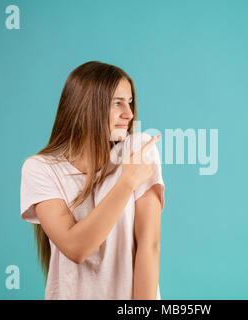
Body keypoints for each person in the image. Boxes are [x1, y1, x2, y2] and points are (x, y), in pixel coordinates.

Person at [20, 61, 165, 300]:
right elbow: (76, 248)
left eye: (129, 102)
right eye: (117, 103)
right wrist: (125, 183)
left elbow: (149, 246)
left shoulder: (137, 150)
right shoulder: (40, 169)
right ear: (85, 106)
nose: (128, 114)